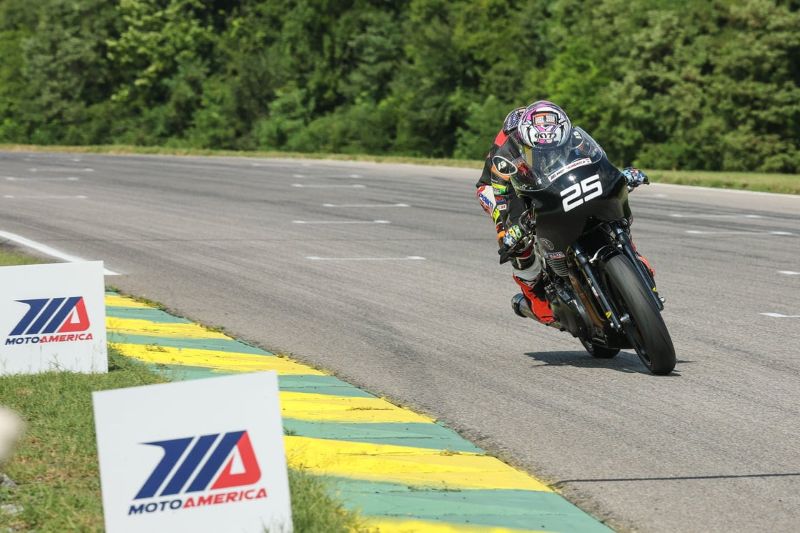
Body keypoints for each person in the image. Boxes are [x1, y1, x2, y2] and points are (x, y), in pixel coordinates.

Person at [475, 101, 651, 324]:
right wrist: (507, 228)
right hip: (501, 186)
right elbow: (501, 195)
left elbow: (598, 161)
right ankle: (537, 298)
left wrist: (618, 175)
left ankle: (631, 256)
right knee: (513, 241)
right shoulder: (507, 152)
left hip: (549, 176)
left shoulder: (568, 134)